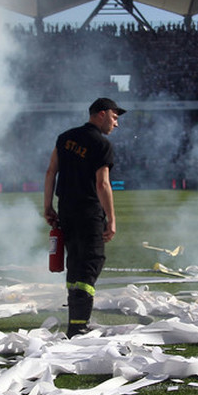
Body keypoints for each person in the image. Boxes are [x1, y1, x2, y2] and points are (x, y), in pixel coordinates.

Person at [43, 97, 123, 338]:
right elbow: (102, 183)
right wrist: (111, 218)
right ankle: (78, 326)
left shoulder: (65, 137)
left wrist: (47, 205)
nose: (116, 123)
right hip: (89, 212)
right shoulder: (102, 144)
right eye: (114, 117)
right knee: (90, 263)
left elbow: (50, 172)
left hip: (66, 209)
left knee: (75, 264)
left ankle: (76, 319)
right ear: (101, 113)